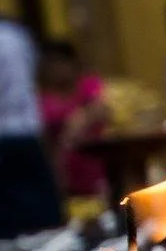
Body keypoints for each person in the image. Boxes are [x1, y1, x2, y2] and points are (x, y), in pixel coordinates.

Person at [0, 14, 64, 238]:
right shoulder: (18, 36)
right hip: (28, 133)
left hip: (6, 136)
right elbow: (34, 78)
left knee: (10, 228)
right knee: (46, 223)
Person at [37, 40, 109, 205]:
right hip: (65, 175)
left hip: (97, 169)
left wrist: (77, 123)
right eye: (51, 65)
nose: (57, 69)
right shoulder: (42, 99)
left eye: (61, 62)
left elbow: (101, 108)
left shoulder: (88, 85)